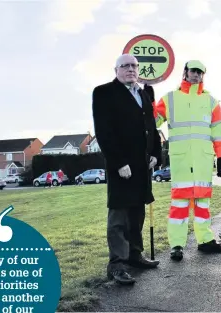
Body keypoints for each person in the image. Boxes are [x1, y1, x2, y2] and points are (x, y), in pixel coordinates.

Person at [92, 53, 162, 285]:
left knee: (137, 213)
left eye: (134, 66)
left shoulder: (143, 94)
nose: (131, 69)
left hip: (142, 166)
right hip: (122, 166)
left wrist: (155, 154)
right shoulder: (103, 92)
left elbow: (151, 127)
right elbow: (104, 132)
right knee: (119, 216)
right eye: (125, 66)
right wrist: (119, 162)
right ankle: (117, 265)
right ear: (116, 70)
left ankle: (134, 255)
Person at [154, 60, 221, 261]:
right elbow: (152, 121)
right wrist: (148, 101)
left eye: (200, 72)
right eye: (193, 71)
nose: (196, 75)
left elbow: (218, 134)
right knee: (179, 204)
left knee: (203, 203)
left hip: (203, 161)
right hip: (181, 162)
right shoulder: (169, 99)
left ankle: (205, 241)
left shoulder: (211, 102)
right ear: (185, 72)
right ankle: (176, 245)